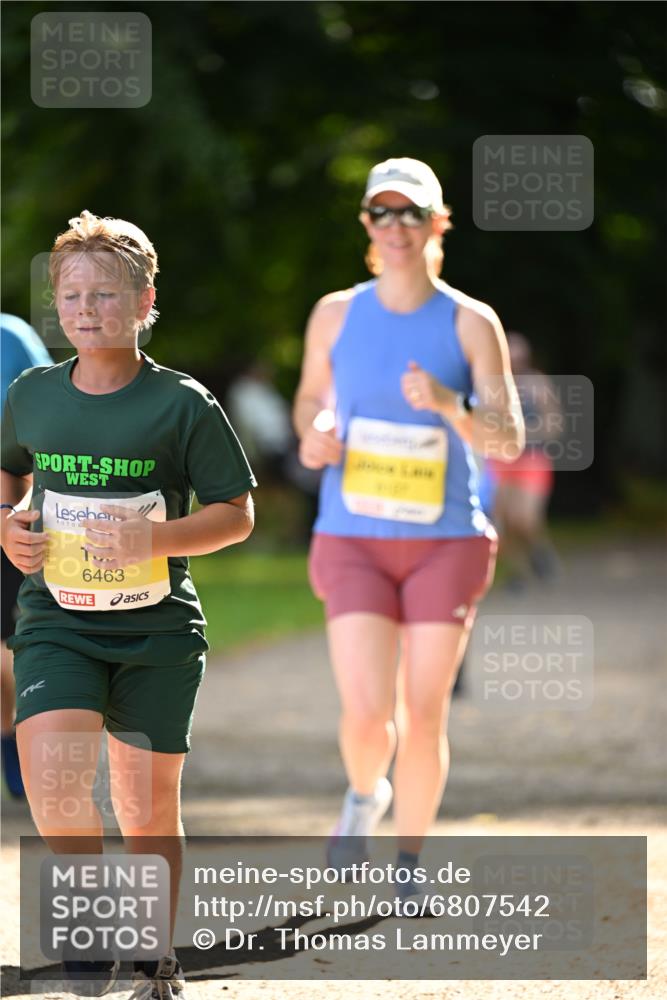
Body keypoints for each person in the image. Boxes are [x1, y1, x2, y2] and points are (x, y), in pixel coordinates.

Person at [0, 211, 256, 998]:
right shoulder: (32, 393)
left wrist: (153, 540)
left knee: (145, 808)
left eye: (105, 294)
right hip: (56, 623)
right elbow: (11, 479)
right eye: (71, 294)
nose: (84, 309)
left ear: (145, 301)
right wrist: (10, 529)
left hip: (156, 631)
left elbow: (237, 513)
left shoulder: (182, 404)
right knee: (53, 783)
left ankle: (156, 957)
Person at [293, 158, 524, 907]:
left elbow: (508, 438)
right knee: (366, 713)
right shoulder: (333, 312)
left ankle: (408, 863)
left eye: (410, 213)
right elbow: (307, 404)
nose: (395, 227)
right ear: (365, 224)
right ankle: (365, 794)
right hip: (352, 536)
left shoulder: (468, 319)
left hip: (445, 541)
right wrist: (316, 434)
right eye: (380, 213)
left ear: (436, 223)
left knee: (422, 713)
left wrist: (451, 404)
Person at [1, 314, 53, 798]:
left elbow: (49, 428)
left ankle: (15, 733)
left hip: (6, 520)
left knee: (6, 653)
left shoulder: (11, 337)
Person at [487, 331, 560, 591]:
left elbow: (553, 422)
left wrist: (526, 434)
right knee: (503, 521)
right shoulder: (491, 383)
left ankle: (539, 548)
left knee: (524, 518)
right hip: (500, 459)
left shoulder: (536, 384)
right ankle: (517, 574)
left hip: (531, 458)